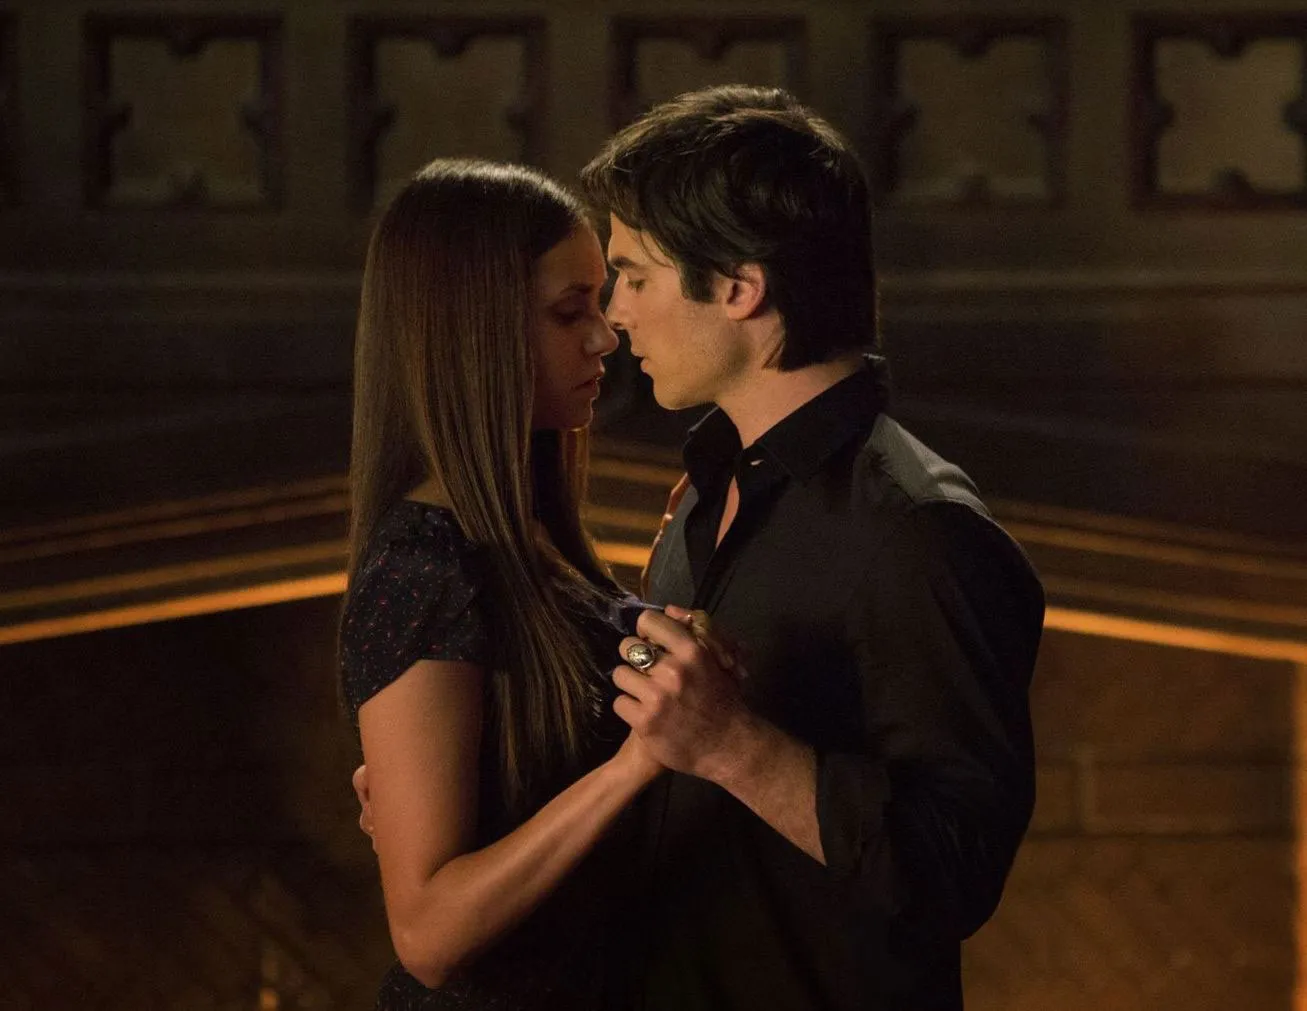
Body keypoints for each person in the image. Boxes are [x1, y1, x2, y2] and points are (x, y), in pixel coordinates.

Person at [579, 85, 1046, 1010]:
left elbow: (953, 873)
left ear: (738, 287)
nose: (613, 313)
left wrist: (735, 746)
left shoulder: (918, 529)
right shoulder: (705, 487)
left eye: (633, 275)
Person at [339, 157, 666, 1009]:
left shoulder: (531, 541)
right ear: (474, 331)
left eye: (599, 303)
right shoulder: (423, 570)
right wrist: (636, 765)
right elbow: (429, 934)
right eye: (569, 311)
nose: (604, 336)